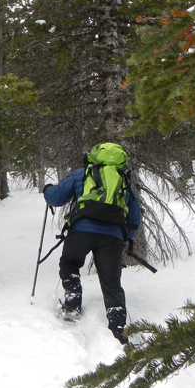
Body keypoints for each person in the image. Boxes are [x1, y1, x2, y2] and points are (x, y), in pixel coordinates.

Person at [42, 147, 141, 345]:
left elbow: (55, 198)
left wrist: (47, 190)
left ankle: (72, 302)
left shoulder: (82, 175)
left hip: (81, 231)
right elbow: (134, 218)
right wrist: (122, 238)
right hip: (112, 236)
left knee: (70, 263)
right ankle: (118, 328)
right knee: (112, 282)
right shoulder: (121, 181)